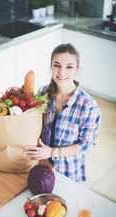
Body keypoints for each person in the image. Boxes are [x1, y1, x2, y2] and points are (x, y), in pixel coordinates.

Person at [25, 43, 101, 182]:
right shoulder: (43, 93)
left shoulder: (88, 106)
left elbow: (86, 144)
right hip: (41, 162)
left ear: (77, 69)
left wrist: (52, 152)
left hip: (68, 170)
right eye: (57, 65)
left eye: (69, 67)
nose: (61, 72)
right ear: (51, 66)